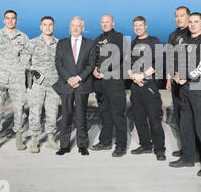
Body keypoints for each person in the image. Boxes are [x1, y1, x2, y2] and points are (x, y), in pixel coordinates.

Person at [169, 12, 201, 179]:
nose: (193, 24)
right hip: (184, 91)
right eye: (190, 22)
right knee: (186, 126)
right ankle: (188, 158)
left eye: (196, 22)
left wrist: (185, 76)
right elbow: (178, 61)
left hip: (199, 91)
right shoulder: (186, 41)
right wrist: (176, 74)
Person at [0, 10, 30, 152]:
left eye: (13, 19)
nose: (10, 21)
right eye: (7, 18)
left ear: (16, 20)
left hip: (17, 79)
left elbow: (27, 56)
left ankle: (19, 139)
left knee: (19, 109)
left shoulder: (23, 37)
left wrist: (21, 69)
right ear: (4, 20)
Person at [53, 17, 96, 156]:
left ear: (83, 28)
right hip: (66, 85)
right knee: (66, 116)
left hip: (82, 84)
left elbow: (91, 64)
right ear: (69, 27)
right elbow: (59, 63)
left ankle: (82, 145)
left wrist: (78, 78)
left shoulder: (90, 43)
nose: (76, 28)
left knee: (81, 115)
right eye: (73, 25)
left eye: (78, 26)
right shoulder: (62, 43)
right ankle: (64, 145)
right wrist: (69, 79)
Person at [127, 16, 166, 161]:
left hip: (149, 85)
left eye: (140, 25)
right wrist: (134, 77)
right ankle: (145, 145)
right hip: (136, 87)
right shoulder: (132, 44)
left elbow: (159, 63)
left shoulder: (154, 41)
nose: (138, 28)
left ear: (146, 26)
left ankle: (160, 149)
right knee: (139, 119)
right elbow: (127, 65)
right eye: (135, 26)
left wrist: (142, 76)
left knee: (154, 120)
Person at [90, 14, 128, 157]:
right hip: (100, 84)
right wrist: (94, 70)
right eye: (102, 22)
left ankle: (121, 146)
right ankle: (105, 142)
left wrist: (101, 70)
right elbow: (93, 58)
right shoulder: (98, 39)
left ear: (113, 23)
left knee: (118, 115)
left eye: (107, 22)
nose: (105, 24)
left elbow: (117, 57)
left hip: (114, 82)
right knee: (105, 114)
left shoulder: (119, 37)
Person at [166, 6, 200, 159]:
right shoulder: (173, 35)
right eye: (176, 16)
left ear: (188, 16)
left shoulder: (191, 34)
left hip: (189, 82)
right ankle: (186, 148)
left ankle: (197, 151)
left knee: (192, 118)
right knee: (180, 117)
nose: (179, 19)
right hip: (175, 82)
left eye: (182, 15)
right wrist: (168, 79)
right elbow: (169, 58)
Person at [25, 16, 61, 153]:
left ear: (54, 27)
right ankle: (34, 140)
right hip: (37, 85)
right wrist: (35, 74)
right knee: (35, 111)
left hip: (53, 83)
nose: (47, 27)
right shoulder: (32, 43)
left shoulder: (59, 44)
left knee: (53, 111)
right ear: (40, 27)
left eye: (50, 24)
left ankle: (51, 138)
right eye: (45, 25)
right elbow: (24, 62)